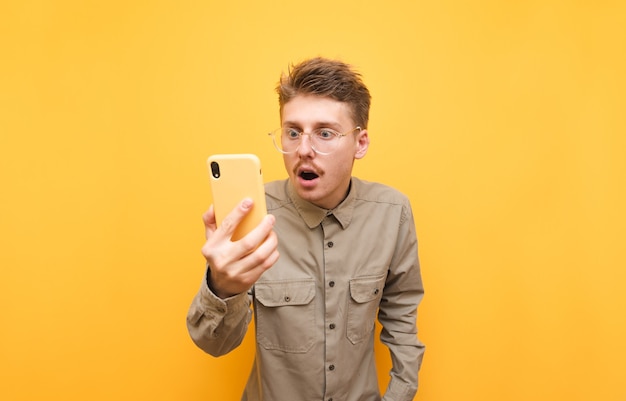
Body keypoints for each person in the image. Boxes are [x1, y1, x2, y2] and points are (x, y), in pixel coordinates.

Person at [187, 57, 425, 401]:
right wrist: (223, 288)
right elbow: (214, 343)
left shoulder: (393, 213)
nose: (303, 150)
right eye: (293, 131)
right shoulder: (253, 215)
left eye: (325, 133)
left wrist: (399, 395)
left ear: (360, 143)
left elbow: (402, 312)